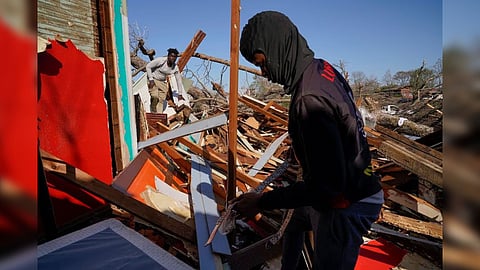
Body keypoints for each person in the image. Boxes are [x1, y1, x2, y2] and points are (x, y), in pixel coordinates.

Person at [233, 11, 384, 270]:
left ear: (276, 47)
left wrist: (261, 202)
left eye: (262, 62)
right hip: (352, 183)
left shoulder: (308, 99)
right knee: (294, 222)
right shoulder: (320, 69)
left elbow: (328, 188)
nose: (265, 73)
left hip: (347, 202)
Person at [146, 48, 188, 113]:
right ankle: (153, 110)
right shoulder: (161, 61)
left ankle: (158, 115)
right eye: (171, 56)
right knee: (155, 96)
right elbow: (148, 66)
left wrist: (180, 94)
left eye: (175, 57)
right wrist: (151, 79)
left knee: (161, 100)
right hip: (153, 79)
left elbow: (179, 80)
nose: (173, 58)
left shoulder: (175, 67)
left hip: (162, 82)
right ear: (168, 56)